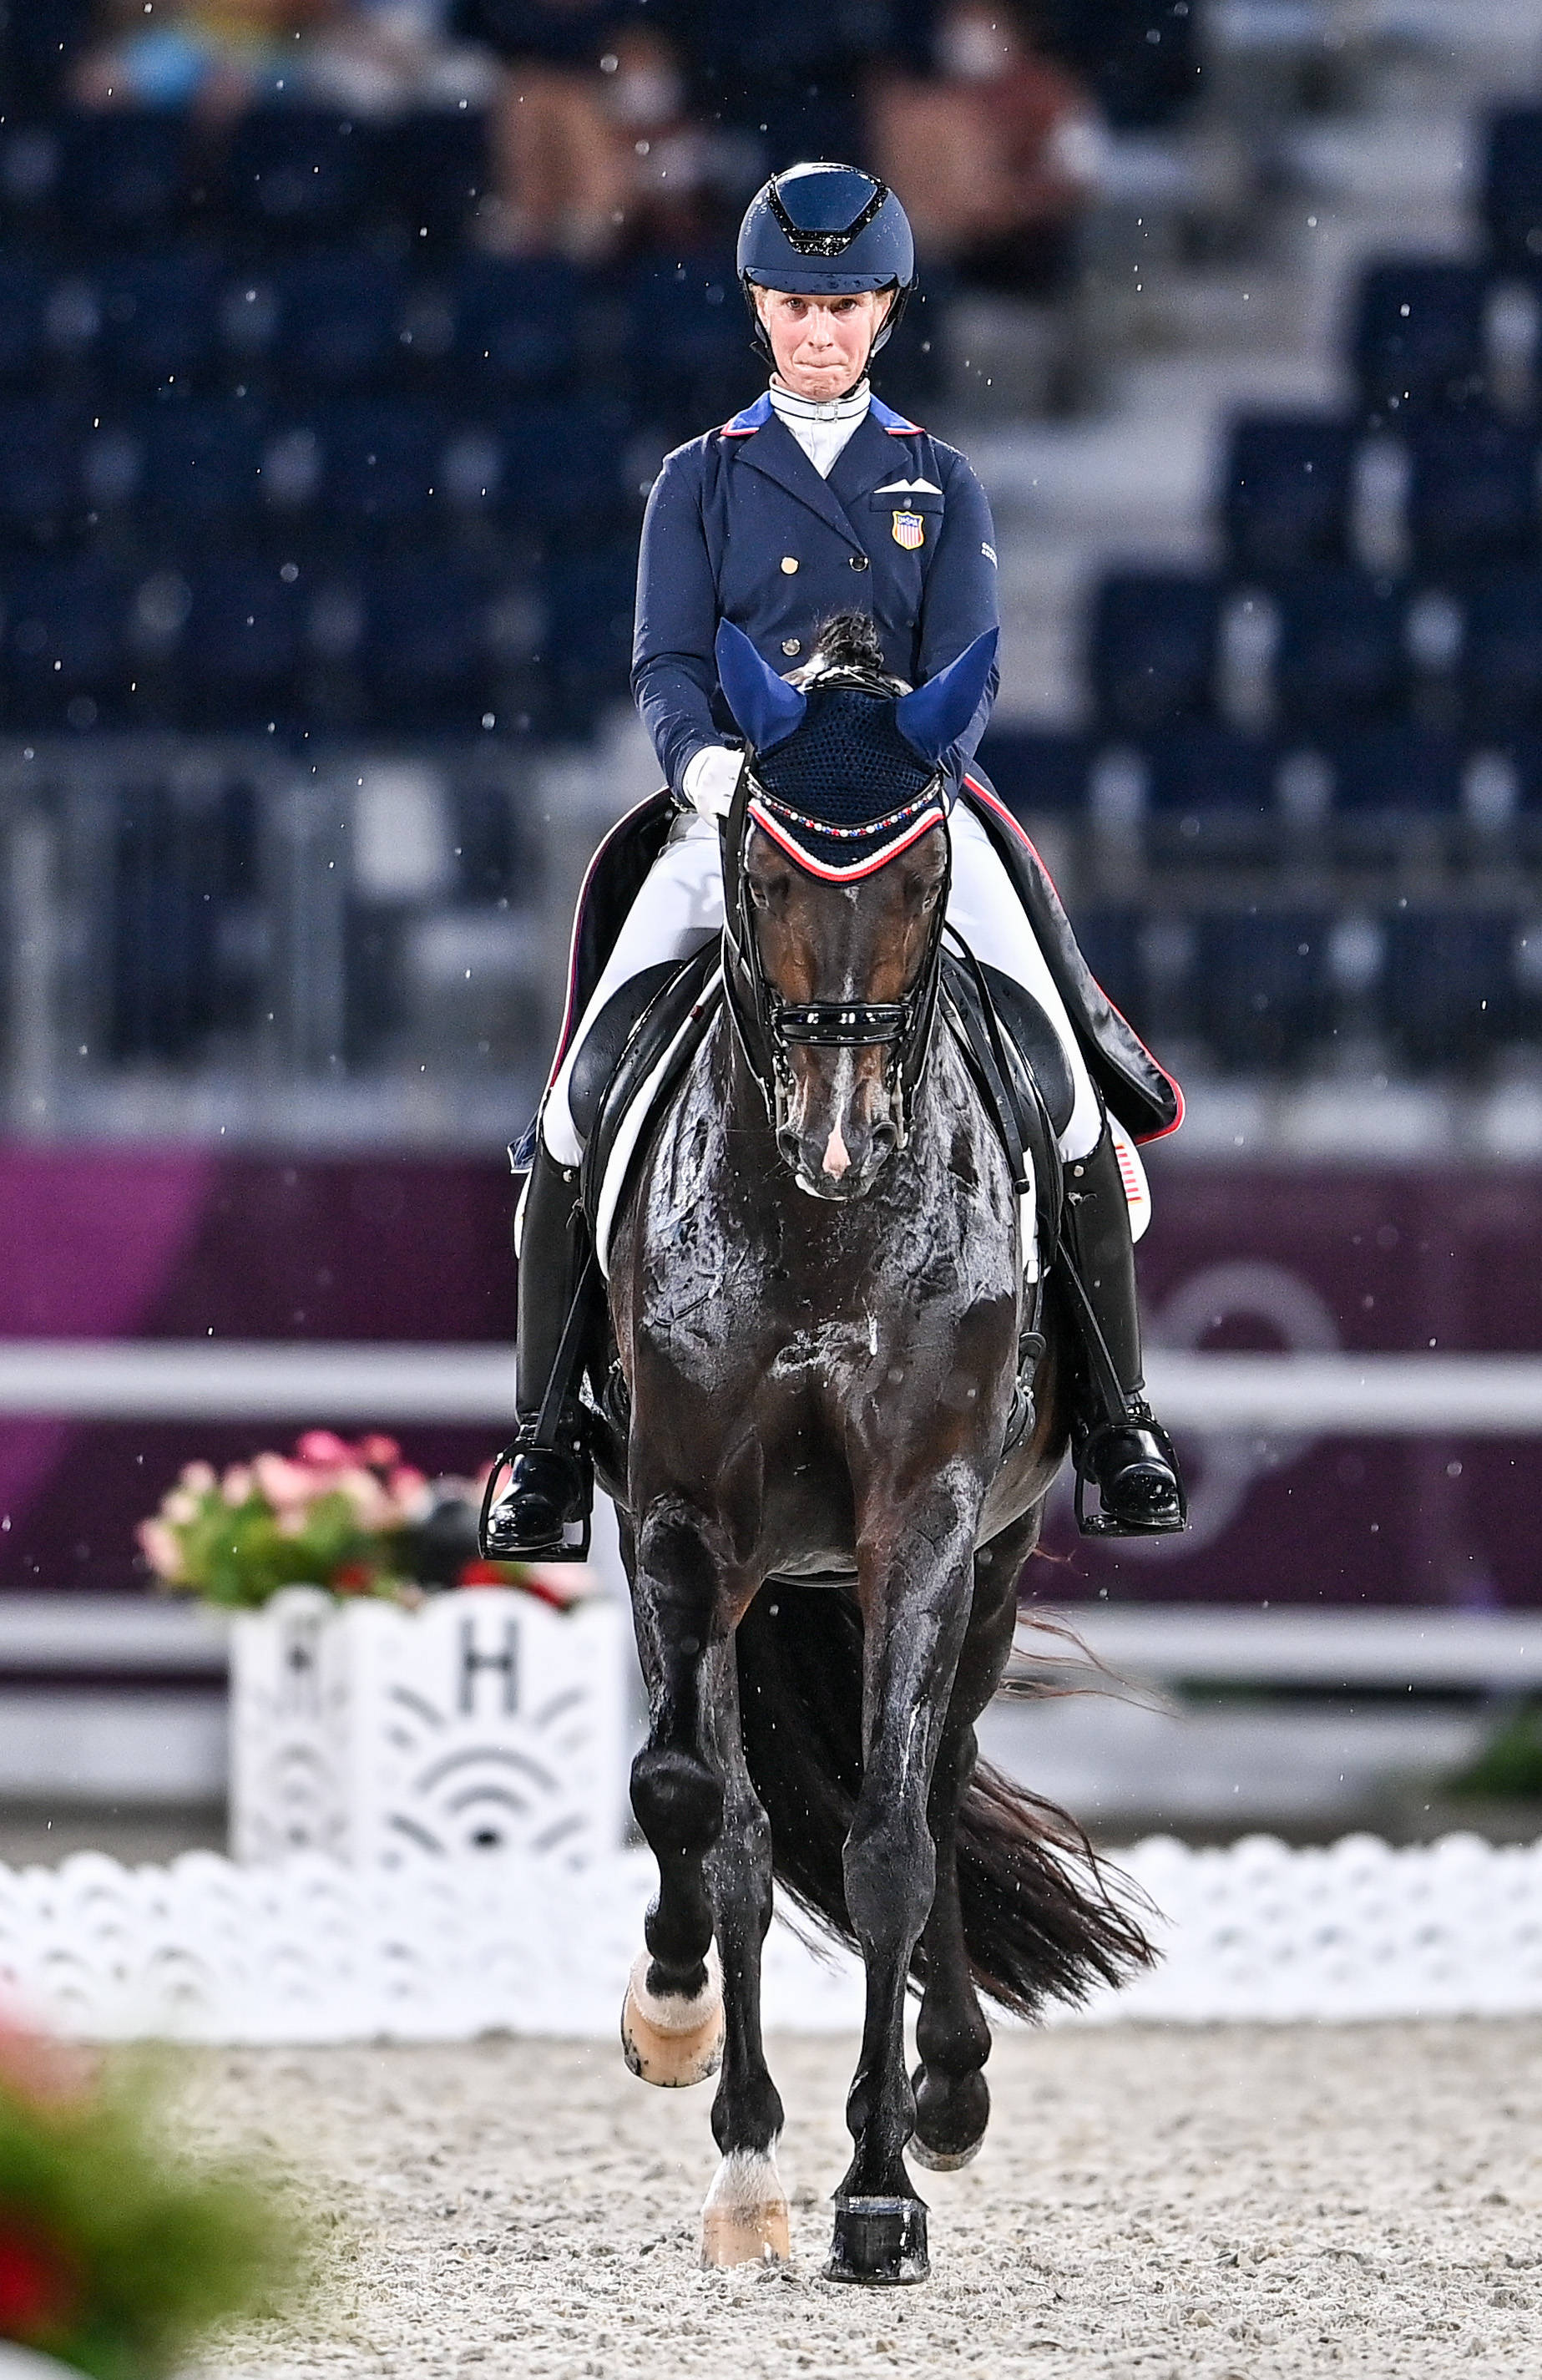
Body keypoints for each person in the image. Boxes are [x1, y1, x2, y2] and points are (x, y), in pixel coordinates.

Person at [482, 160, 1185, 1559]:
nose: (820, 329)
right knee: (579, 1104)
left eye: (847, 303)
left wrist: (920, 769)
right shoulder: (702, 478)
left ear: (886, 313)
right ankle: (548, 1440)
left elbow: (971, 675)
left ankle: (1120, 1414)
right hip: (745, 816)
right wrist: (710, 770)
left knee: (1061, 1094)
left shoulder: (939, 476)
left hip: (913, 814)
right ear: (760, 306)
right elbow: (668, 663)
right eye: (797, 303)